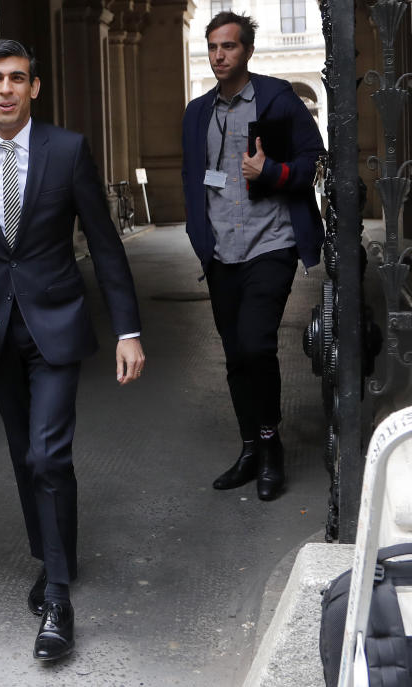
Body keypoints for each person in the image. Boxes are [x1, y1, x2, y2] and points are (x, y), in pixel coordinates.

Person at [0, 39, 145, 662]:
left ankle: (58, 597)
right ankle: (51, 555)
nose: (6, 89)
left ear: (34, 88)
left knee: (50, 454)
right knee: (25, 455)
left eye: (17, 79)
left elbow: (105, 244)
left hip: (56, 324)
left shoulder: (68, 150)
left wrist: (128, 330)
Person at [181, 12, 324, 501]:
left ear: (247, 51)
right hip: (222, 250)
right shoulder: (198, 113)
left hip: (271, 241)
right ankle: (249, 447)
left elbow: (313, 159)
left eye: (230, 47)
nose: (220, 55)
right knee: (236, 356)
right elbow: (193, 177)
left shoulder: (277, 99)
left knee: (257, 343)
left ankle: (270, 444)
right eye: (213, 47)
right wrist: (198, 235)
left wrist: (273, 172)